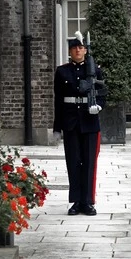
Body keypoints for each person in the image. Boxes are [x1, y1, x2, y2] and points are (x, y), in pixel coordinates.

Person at [53, 31, 106, 216]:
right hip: (70, 122)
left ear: (85, 50)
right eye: (75, 48)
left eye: (81, 47)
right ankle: (76, 201)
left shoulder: (94, 70)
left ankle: (88, 201)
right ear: (70, 51)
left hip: (89, 120)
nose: (78, 50)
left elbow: (102, 93)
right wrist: (56, 127)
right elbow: (58, 100)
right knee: (73, 162)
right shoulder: (62, 71)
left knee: (89, 162)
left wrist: (98, 106)